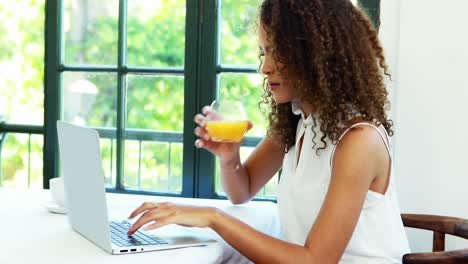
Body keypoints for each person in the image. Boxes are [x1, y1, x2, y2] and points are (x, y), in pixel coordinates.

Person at [127, 0, 410, 262]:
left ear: (319, 54)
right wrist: (230, 159)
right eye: (264, 51)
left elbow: (316, 260)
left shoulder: (359, 140)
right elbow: (243, 189)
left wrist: (213, 217)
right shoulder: (299, 121)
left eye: (279, 51)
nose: (265, 67)